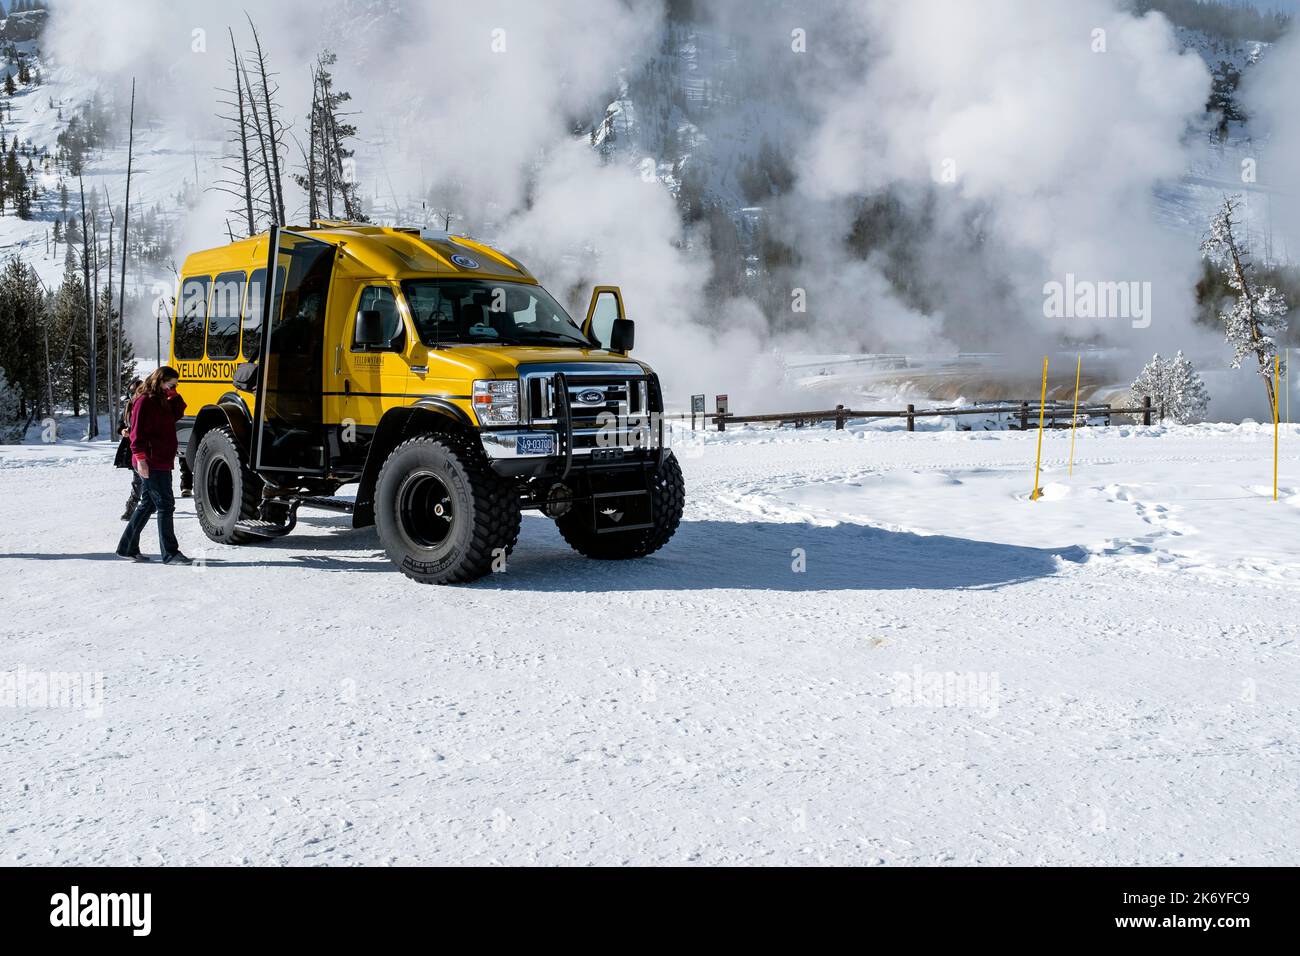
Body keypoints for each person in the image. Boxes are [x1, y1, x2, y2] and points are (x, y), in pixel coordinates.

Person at [116, 366, 192, 565]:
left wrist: (173, 394)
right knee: (165, 505)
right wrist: (141, 460)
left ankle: (127, 547)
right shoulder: (144, 401)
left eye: (175, 384)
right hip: (150, 461)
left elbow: (178, 412)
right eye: (171, 383)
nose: (173, 387)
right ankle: (170, 553)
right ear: (160, 380)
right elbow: (136, 435)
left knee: (148, 503)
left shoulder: (162, 401)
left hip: (162, 460)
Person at [116, 377, 143, 519]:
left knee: (144, 479)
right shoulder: (128, 407)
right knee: (138, 479)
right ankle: (132, 506)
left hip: (145, 448)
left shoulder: (146, 405)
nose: (135, 395)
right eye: (133, 392)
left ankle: (144, 505)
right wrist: (123, 431)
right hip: (132, 448)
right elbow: (120, 424)